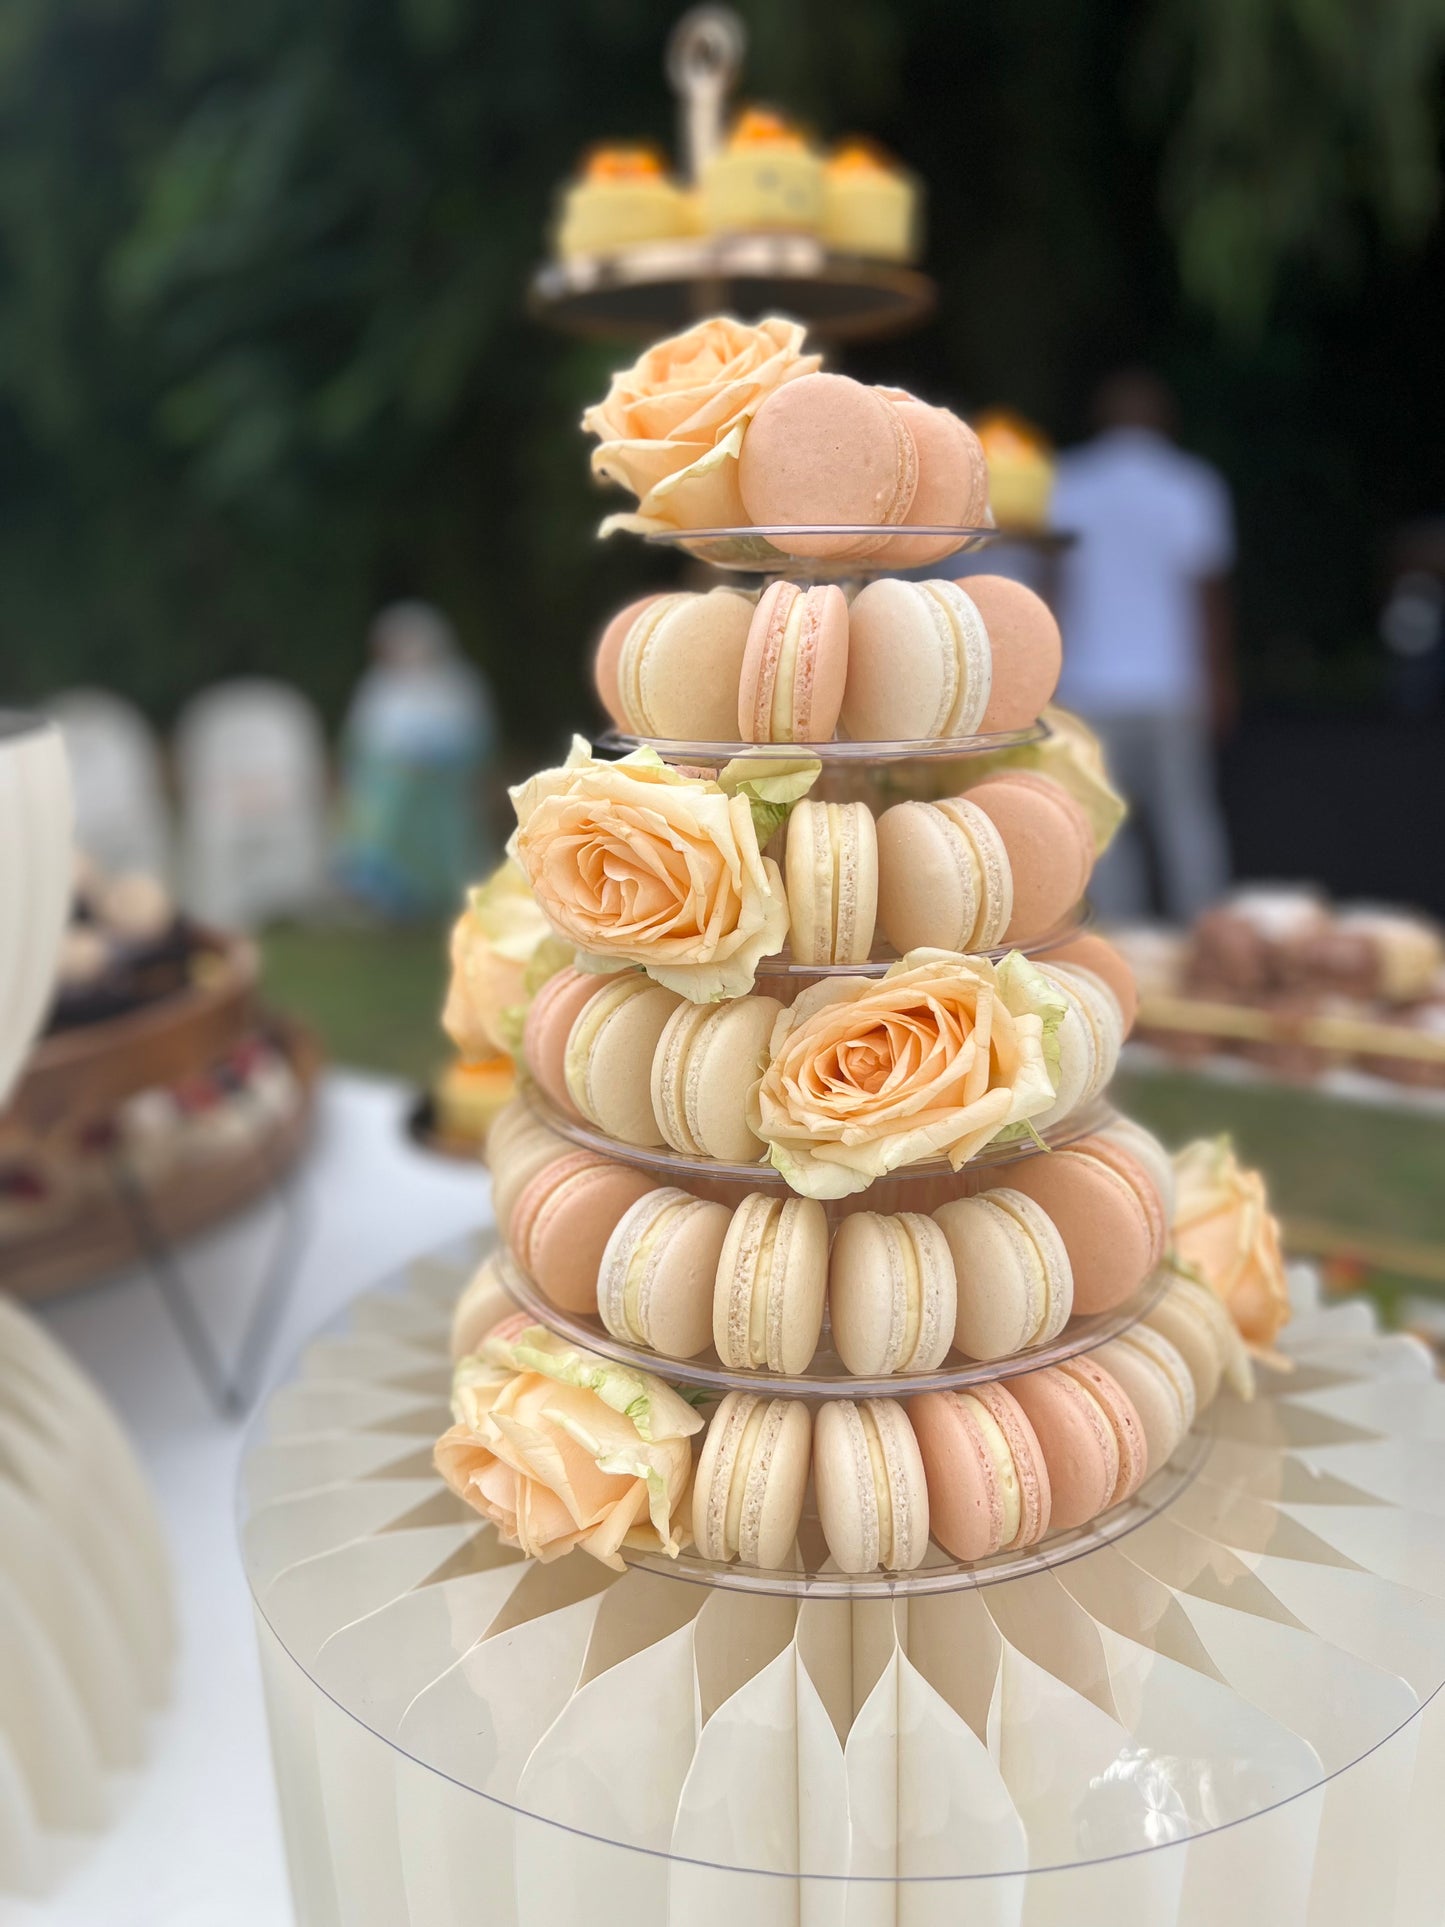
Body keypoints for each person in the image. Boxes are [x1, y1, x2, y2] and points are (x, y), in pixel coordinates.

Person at [1051, 370, 1236, 923]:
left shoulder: (1069, 482)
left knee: (1102, 827)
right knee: (1187, 822)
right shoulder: (1191, 484)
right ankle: (1210, 941)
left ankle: (1120, 945)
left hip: (1087, 685)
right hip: (1171, 684)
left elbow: (1053, 592)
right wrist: (1219, 677)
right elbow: (1208, 595)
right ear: (1164, 420)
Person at [336, 602, 497, 919]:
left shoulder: (457, 683)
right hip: (386, 784)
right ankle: (385, 895)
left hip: (442, 786)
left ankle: (434, 895)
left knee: (419, 815)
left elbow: (475, 740)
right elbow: (359, 743)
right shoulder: (380, 685)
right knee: (376, 816)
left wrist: (431, 760)